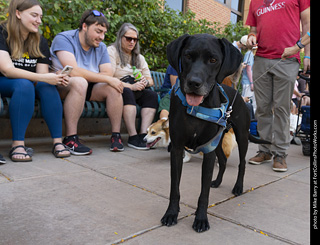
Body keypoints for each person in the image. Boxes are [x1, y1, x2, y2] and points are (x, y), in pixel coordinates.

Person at [0, 0, 70, 162]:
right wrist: (45, 78)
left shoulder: (40, 40)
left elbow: (42, 75)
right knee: (25, 84)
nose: (39, 20)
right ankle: (17, 144)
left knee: (47, 86)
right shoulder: (2, 32)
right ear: (18, 13)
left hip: (27, 84)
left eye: (40, 16)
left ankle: (57, 142)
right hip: (4, 81)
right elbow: (7, 70)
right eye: (34, 15)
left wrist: (54, 78)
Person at [246, 0, 310, 172]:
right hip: (260, 59)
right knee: (262, 108)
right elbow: (253, 29)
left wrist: (305, 53)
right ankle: (264, 150)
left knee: (281, 107)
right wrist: (252, 37)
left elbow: (307, 25)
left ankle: (280, 153)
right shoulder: (254, 2)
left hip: (287, 59)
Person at [50, 10, 125, 153]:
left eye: (104, 33)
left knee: (113, 87)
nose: (101, 37)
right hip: (61, 85)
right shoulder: (64, 38)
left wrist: (108, 79)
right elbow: (73, 71)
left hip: (88, 87)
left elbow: (108, 72)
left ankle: (116, 136)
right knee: (80, 82)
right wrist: (105, 77)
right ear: (84, 26)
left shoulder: (101, 47)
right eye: (98, 31)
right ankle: (70, 138)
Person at [107, 23, 158, 150]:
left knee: (151, 95)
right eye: (128, 38)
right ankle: (132, 136)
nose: (132, 42)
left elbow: (150, 80)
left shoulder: (139, 58)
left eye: (135, 39)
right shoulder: (111, 51)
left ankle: (143, 135)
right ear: (120, 37)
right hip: (119, 86)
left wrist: (144, 82)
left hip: (137, 87)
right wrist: (131, 86)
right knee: (128, 92)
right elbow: (109, 76)